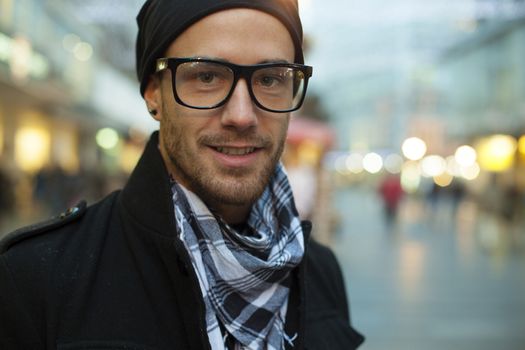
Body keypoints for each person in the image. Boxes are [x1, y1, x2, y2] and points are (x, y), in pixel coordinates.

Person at [0, 1, 364, 349]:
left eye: (270, 79)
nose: (242, 115)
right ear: (153, 92)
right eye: (206, 76)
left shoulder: (319, 272)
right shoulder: (37, 278)